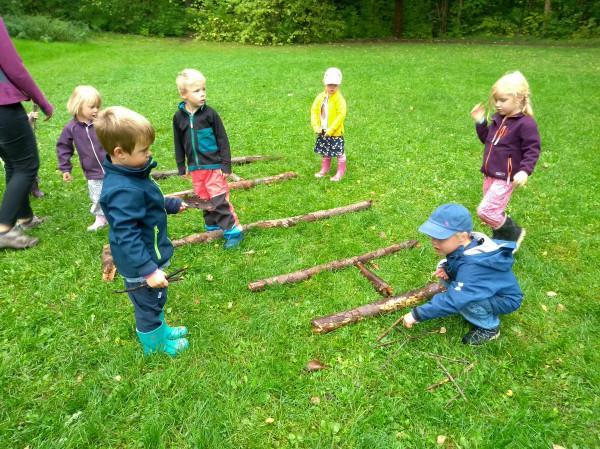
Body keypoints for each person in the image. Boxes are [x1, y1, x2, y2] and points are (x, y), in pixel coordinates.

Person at [97, 106, 189, 357]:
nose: (149, 155)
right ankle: (155, 345)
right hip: (140, 263)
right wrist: (148, 270)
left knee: (156, 298)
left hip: (149, 255)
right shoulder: (122, 190)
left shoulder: (133, 174)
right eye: (143, 150)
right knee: (148, 304)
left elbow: (146, 202)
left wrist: (169, 204)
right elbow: (127, 236)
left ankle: (161, 330)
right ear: (119, 152)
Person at [402, 204, 523, 345]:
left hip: (504, 299)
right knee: (442, 267)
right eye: (432, 236)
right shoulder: (467, 245)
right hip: (485, 287)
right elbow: (459, 262)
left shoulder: (474, 266)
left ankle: (490, 328)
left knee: (464, 300)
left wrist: (417, 315)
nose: (434, 241)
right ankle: (468, 303)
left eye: (441, 238)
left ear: (462, 236)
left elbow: (456, 298)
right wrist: (447, 270)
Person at [173, 68, 244, 249]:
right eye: (197, 91)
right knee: (203, 198)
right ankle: (212, 225)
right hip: (196, 168)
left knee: (219, 198)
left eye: (204, 89)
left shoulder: (210, 114)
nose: (202, 94)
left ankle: (233, 230)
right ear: (184, 94)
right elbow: (178, 143)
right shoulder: (178, 118)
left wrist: (226, 165)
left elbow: (223, 139)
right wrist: (182, 166)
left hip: (213, 166)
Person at [470, 71, 541, 250]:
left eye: (503, 100)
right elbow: (487, 139)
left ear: (519, 99)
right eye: (496, 100)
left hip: (506, 176)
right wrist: (480, 122)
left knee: (485, 211)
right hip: (490, 174)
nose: (497, 104)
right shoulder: (499, 118)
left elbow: (532, 149)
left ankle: (513, 233)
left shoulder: (525, 124)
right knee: (492, 209)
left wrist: (524, 170)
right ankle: (501, 237)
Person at [0, 17, 53, 249]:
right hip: (3, 107)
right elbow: (14, 67)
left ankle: (25, 218)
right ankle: (4, 229)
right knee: (26, 164)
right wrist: (41, 101)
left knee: (13, 162)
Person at [56, 85, 109, 231]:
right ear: (78, 106)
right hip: (92, 170)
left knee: (117, 189)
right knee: (98, 196)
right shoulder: (71, 128)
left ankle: (121, 211)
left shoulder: (102, 122)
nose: (96, 110)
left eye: (98, 106)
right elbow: (63, 147)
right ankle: (101, 218)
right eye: (92, 107)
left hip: (113, 165)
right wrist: (65, 168)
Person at [311, 67, 347, 182]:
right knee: (326, 150)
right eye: (330, 84)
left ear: (338, 85)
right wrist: (316, 126)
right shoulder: (320, 97)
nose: (332, 87)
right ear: (325, 83)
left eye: (335, 85)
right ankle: (325, 169)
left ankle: (341, 171)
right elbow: (314, 111)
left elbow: (341, 115)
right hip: (323, 130)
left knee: (338, 151)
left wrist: (331, 130)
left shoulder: (339, 99)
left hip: (335, 132)